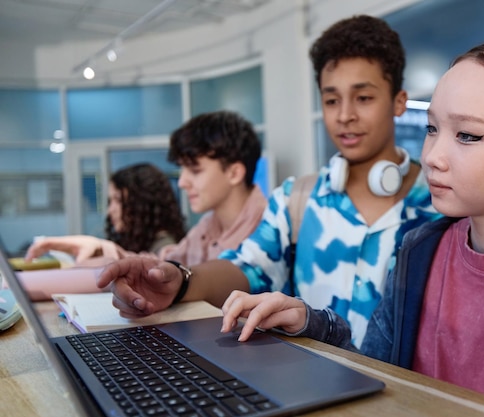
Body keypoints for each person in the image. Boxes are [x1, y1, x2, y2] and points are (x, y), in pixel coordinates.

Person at [220, 36, 484, 416]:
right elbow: (379, 376)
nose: (432, 155)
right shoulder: (420, 250)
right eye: (433, 128)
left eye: (467, 135)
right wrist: (309, 324)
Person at [97, 14, 440, 347]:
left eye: (363, 98)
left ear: (399, 102)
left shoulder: (440, 206)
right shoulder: (297, 199)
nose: (345, 115)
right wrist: (180, 281)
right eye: (331, 99)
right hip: (316, 387)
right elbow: (246, 267)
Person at [25, 111, 267, 266]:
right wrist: (101, 249)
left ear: (234, 172)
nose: (182, 182)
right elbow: (166, 266)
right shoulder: (207, 226)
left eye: (195, 170)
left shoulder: (269, 231)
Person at [26, 163, 186, 263]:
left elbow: (160, 265)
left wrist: (101, 248)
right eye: (110, 201)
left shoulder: (166, 246)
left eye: (118, 200)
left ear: (144, 203)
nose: (111, 210)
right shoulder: (139, 241)